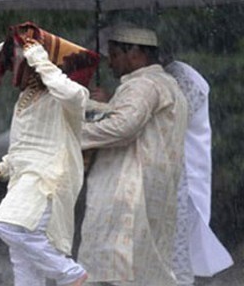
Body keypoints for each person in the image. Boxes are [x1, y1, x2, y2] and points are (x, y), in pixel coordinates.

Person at [0, 22, 100, 286]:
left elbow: (70, 93)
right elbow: (26, 143)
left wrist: (41, 60)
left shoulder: (69, 94)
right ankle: (65, 273)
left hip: (48, 178)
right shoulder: (27, 96)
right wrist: (4, 167)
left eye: (17, 60)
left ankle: (70, 274)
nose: (12, 67)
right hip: (26, 178)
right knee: (24, 265)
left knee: (8, 225)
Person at [78, 26, 188, 285]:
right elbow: (131, 121)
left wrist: (72, 133)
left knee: (117, 268)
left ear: (136, 53)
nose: (110, 62)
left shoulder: (143, 85)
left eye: (115, 54)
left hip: (127, 191)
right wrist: (104, 105)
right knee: (147, 268)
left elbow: (123, 127)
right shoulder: (166, 84)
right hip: (151, 189)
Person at [163, 59, 233, 286]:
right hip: (169, 180)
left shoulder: (186, 81)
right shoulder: (162, 79)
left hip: (182, 184)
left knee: (176, 263)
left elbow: (158, 123)